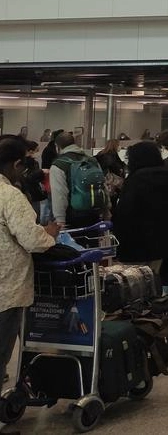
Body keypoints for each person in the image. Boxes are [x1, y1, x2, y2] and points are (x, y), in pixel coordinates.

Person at [0, 137, 59, 392]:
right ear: (15, 164)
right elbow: (31, 239)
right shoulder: (9, 195)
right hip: (6, 289)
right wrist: (50, 233)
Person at [112, 142, 168, 273]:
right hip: (162, 242)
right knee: (154, 277)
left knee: (136, 282)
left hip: (136, 244)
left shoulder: (135, 180)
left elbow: (126, 214)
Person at [48, 131, 107, 228]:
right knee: (91, 241)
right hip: (95, 213)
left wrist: (60, 221)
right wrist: (106, 210)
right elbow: (102, 185)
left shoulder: (59, 165)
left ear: (57, 146)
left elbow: (59, 195)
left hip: (72, 216)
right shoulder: (92, 160)